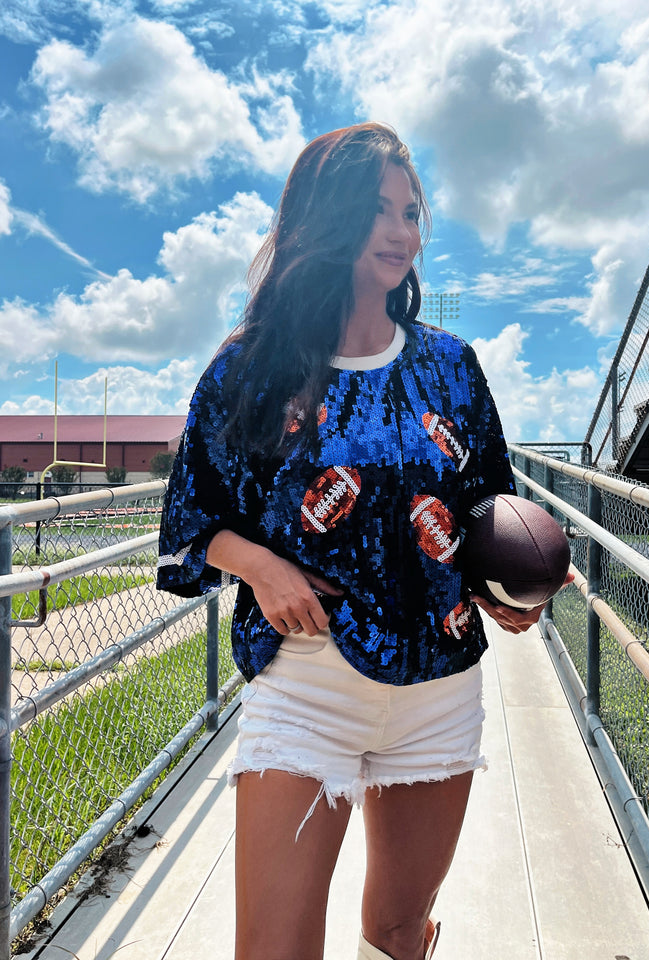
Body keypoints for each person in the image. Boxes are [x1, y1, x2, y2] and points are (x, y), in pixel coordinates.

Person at [157, 122, 548, 960]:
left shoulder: (451, 366)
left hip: (438, 686)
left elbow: (488, 505)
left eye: (412, 211)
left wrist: (503, 588)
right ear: (323, 218)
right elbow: (192, 515)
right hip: (306, 684)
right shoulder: (249, 368)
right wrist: (260, 566)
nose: (403, 231)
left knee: (398, 932)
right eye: (378, 209)